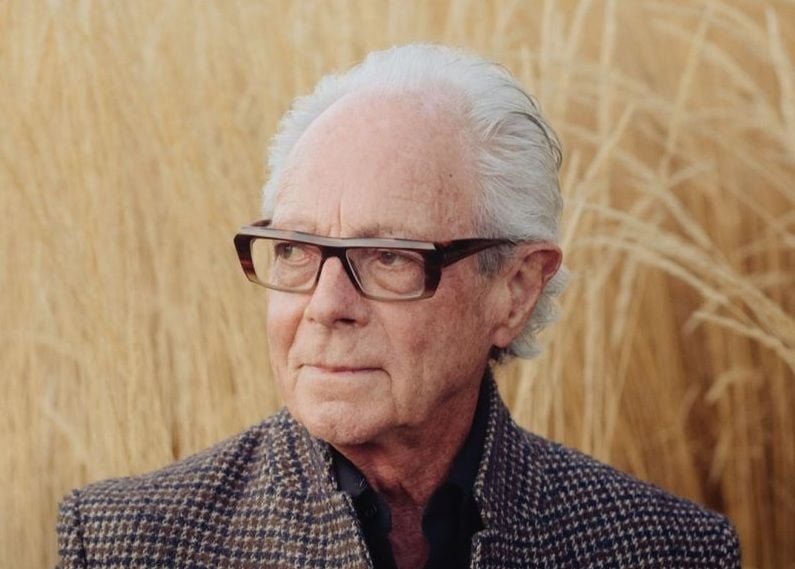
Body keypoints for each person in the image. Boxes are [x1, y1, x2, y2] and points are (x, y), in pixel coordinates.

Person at [57, 44, 740, 568]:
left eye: (388, 256)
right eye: (294, 249)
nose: (325, 305)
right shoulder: (127, 543)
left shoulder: (667, 549)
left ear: (514, 290)